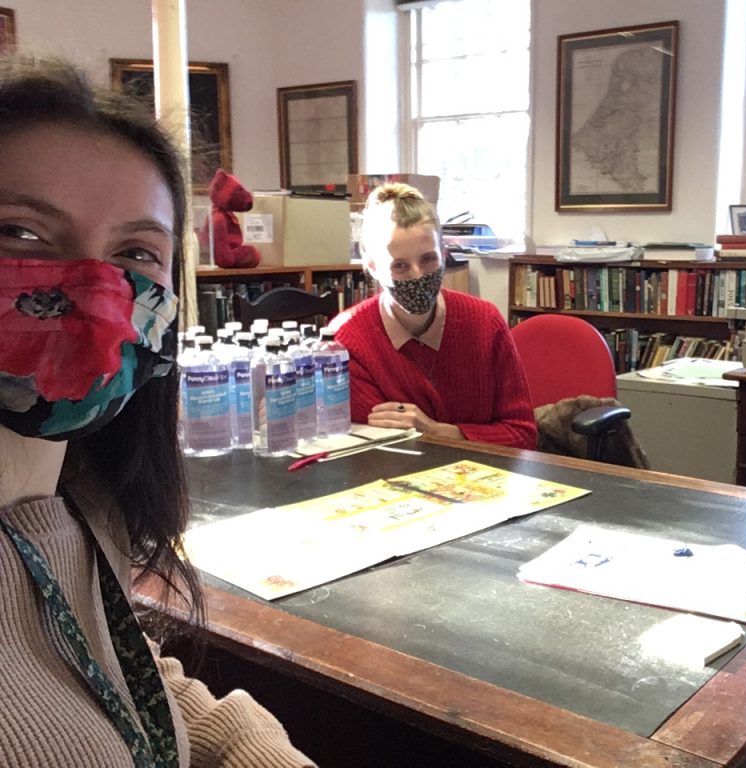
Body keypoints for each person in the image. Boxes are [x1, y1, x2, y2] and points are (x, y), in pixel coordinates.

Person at [0, 56, 313, 766]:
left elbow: (106, 664)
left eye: (136, 252)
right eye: (21, 233)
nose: (94, 288)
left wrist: (244, 744)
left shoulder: (80, 504)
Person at [330, 183, 537, 449]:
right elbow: (377, 448)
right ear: (373, 267)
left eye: (428, 259)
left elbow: (523, 435)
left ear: (444, 253)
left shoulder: (485, 322)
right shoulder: (347, 341)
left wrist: (436, 431)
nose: (417, 276)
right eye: (400, 266)